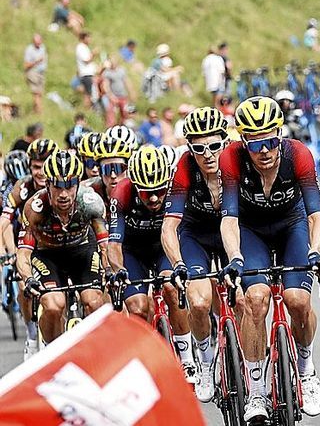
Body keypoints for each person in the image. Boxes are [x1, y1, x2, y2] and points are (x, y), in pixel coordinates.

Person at [217, 96, 320, 421]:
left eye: (270, 141)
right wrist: (235, 256)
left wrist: (315, 252)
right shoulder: (230, 159)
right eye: (255, 145)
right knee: (254, 300)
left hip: (291, 226)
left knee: (297, 300)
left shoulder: (299, 155)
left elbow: (316, 216)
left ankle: (307, 369)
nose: (264, 151)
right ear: (243, 143)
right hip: (251, 230)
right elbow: (229, 218)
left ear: (279, 135)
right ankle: (256, 392)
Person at [106, 146, 198, 385]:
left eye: (159, 191)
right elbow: (114, 244)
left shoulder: (176, 188)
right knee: (137, 306)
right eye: (147, 194)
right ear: (135, 186)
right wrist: (119, 271)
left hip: (163, 248)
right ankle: (145, 357)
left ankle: (187, 357)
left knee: (170, 286)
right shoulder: (121, 193)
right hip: (132, 252)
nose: (155, 198)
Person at [162, 107, 230, 403]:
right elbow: (169, 226)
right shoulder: (184, 168)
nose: (207, 154)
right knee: (199, 302)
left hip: (233, 232)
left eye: (214, 146)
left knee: (246, 300)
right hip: (196, 236)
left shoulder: (238, 162)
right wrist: (177, 264)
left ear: (225, 143)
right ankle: (204, 362)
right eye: (198, 148)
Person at [17, 151, 107, 345]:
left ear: (78, 184)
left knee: (94, 301)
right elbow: (23, 254)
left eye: (70, 185)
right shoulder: (35, 208)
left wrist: (109, 270)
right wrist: (29, 279)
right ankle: (53, 352)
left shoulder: (91, 203)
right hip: (48, 255)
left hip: (82, 251)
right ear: (47, 185)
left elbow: (105, 244)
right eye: (57, 186)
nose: (64, 194)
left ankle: (97, 351)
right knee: (53, 305)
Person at [0, 139, 56, 359]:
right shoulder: (22, 187)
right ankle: (32, 336)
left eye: (45, 165)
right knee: (24, 285)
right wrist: (8, 251)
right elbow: (5, 221)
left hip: (60, 245)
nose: (40, 172)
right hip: (30, 244)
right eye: (35, 166)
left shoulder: (66, 184)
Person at [101, 56, 135, 127]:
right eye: (111, 61)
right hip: (113, 97)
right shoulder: (107, 73)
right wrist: (111, 96)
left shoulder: (122, 70)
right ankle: (110, 129)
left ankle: (123, 128)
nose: (113, 63)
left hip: (123, 96)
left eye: (114, 61)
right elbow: (105, 85)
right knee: (111, 114)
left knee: (125, 113)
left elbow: (126, 81)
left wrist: (131, 91)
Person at [23, 34, 47, 114]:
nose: (38, 43)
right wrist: (36, 61)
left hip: (41, 73)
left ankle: (35, 111)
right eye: (36, 42)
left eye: (39, 41)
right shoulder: (29, 50)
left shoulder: (42, 47)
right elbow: (26, 65)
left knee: (39, 93)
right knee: (36, 93)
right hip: (32, 72)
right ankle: (40, 112)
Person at [75, 32, 98, 108]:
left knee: (88, 94)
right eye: (88, 38)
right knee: (88, 95)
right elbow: (86, 60)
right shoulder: (81, 47)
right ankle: (87, 109)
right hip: (86, 75)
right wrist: (93, 54)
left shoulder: (85, 47)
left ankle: (88, 109)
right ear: (83, 38)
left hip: (87, 74)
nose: (90, 40)